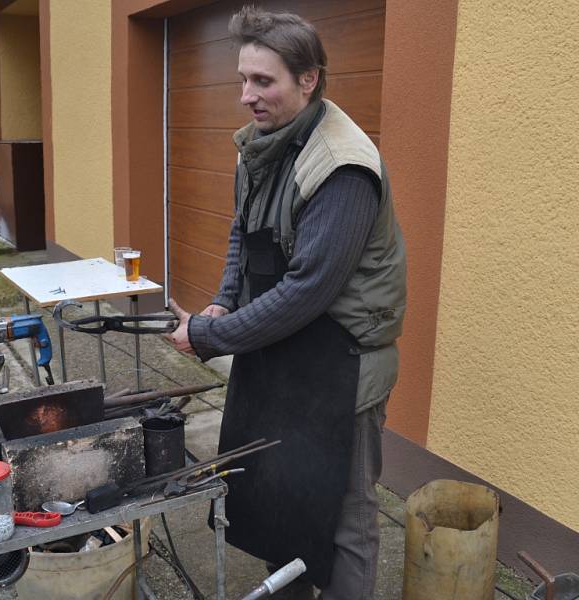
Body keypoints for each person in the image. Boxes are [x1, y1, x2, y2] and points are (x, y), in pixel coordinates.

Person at [165, 7, 407, 599]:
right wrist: (223, 302)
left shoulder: (343, 168)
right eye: (243, 79)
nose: (246, 96)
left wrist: (207, 336)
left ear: (309, 79)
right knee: (279, 497)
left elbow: (308, 292)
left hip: (342, 365)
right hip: (283, 353)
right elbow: (240, 235)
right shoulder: (260, 144)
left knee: (346, 521)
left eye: (263, 82)